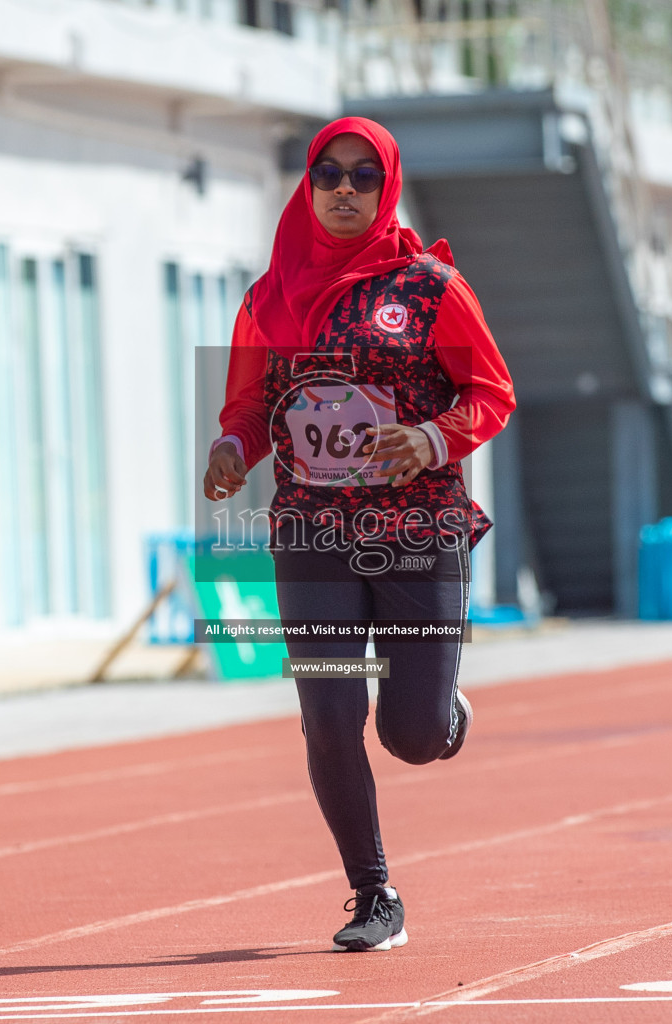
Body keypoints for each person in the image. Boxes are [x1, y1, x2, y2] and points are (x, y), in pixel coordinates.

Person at [203, 117, 515, 952]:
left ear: (388, 188)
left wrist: (431, 437)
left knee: (408, 737)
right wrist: (234, 449)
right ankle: (373, 893)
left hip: (417, 529)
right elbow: (249, 410)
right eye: (328, 174)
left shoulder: (431, 287)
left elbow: (492, 392)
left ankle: (441, 711)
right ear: (306, 187)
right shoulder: (268, 298)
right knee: (330, 712)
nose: (344, 190)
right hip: (311, 532)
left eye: (363, 177)